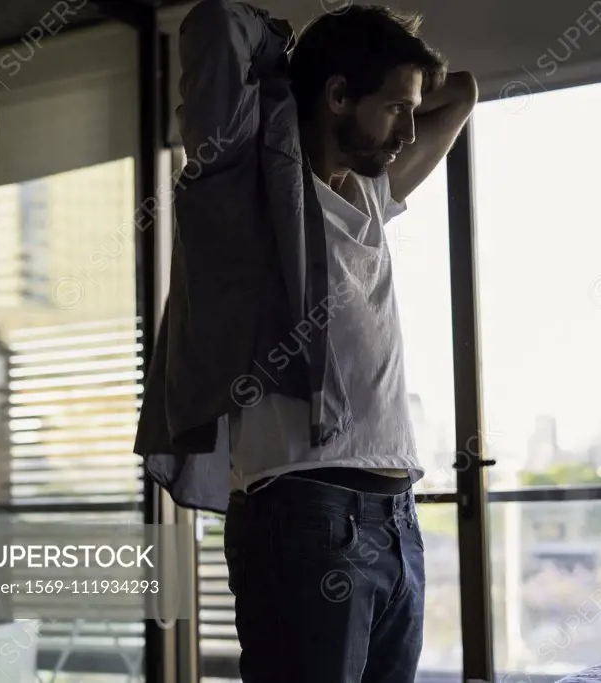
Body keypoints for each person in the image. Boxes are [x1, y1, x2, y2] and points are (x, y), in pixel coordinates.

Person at [133, 1, 477, 681]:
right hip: (304, 514)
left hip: (396, 520)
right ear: (337, 94)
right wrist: (294, 54)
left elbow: (462, 91)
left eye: (411, 110)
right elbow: (214, 23)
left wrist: (394, 71)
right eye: (393, 109)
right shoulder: (247, 185)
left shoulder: (373, 192)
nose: (408, 131)